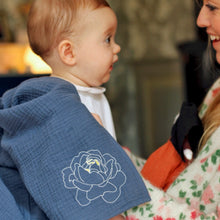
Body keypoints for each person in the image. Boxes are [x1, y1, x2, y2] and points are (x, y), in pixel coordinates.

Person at [0, 0, 151, 219]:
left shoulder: (88, 95)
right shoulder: (62, 106)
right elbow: (67, 179)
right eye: (107, 39)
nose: (117, 47)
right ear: (69, 52)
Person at [123, 0, 220, 219]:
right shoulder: (217, 90)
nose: (200, 20)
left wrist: (118, 185)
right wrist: (111, 155)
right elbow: (180, 181)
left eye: (212, 7)